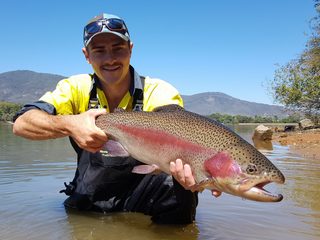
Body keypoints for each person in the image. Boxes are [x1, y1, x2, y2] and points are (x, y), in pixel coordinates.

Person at [13, 13, 199, 224]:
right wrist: (70, 124)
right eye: (99, 51)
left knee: (177, 181)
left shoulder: (160, 92)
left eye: (118, 49)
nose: (110, 59)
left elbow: (183, 135)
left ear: (130, 49)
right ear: (87, 55)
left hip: (144, 195)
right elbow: (21, 124)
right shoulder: (74, 88)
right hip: (90, 195)